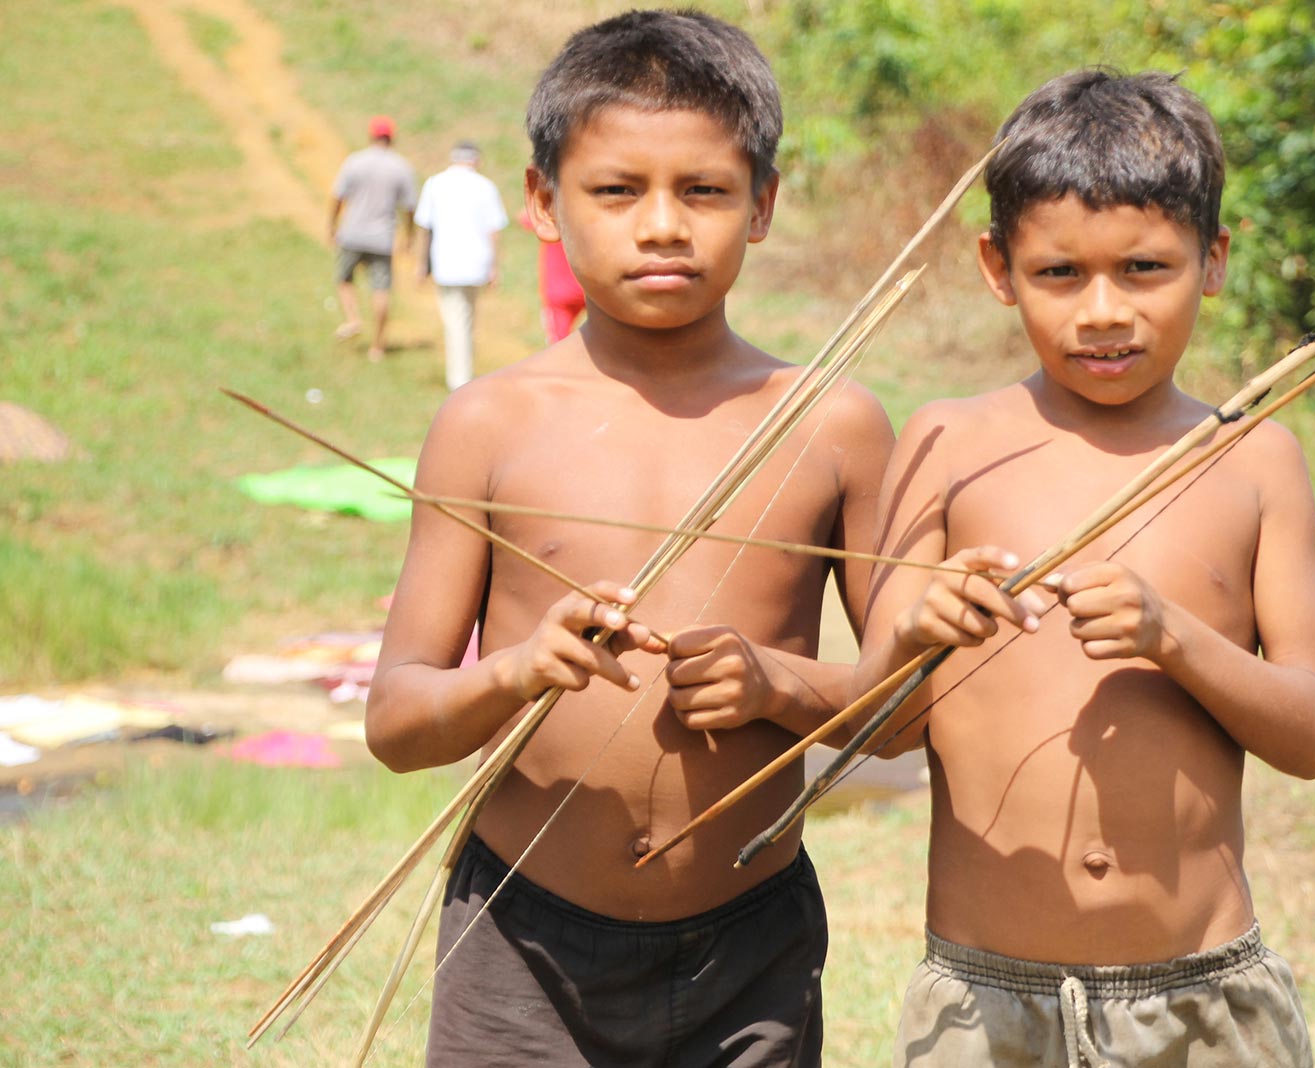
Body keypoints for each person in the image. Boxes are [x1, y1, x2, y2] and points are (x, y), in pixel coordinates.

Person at [364, 12, 893, 1067]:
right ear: (541, 204)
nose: (662, 226)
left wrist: (776, 685)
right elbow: (396, 723)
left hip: (752, 941)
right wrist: (517, 671)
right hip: (520, 939)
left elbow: (911, 713)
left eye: (703, 191)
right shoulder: (487, 425)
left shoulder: (830, 423)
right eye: (616, 191)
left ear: (764, 205)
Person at [856, 69, 1315, 1067]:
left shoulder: (1250, 459)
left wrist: (1173, 637)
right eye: (1059, 275)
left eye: (1144, 269)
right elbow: (876, 730)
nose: (1103, 312)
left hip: (1201, 995)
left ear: (1211, 261)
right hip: (982, 1004)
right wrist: (916, 635)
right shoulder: (948, 443)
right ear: (998, 267)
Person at [416, 141, 509, 389]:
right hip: (476, 262)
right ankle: (462, 374)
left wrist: (421, 265)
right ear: (475, 160)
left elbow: (425, 228)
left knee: (455, 319)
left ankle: (459, 380)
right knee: (465, 318)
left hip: (445, 262)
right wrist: (494, 266)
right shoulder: (486, 186)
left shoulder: (435, 184)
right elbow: (494, 231)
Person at [330, 115, 417, 362]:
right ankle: (377, 347)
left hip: (352, 233)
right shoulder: (401, 166)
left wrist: (331, 225)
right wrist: (409, 235)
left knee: (344, 279)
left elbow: (337, 196)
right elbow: (409, 207)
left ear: (371, 136)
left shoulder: (354, 162)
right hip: (382, 237)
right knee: (381, 290)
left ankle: (353, 318)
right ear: (392, 138)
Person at [526, 208, 588, 341]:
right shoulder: (587, 219)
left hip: (558, 294)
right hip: (587, 289)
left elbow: (525, 218)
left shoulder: (549, 220)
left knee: (557, 343)